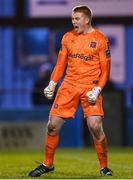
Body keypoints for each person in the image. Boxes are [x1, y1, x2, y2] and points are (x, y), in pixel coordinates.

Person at [28, 5, 113, 177]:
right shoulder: (67, 38)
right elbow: (60, 64)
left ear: (87, 19)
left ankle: (104, 167)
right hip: (69, 86)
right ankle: (47, 164)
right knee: (52, 126)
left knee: (95, 126)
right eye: (72, 18)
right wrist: (52, 83)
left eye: (77, 18)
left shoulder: (101, 40)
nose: (73, 21)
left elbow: (105, 71)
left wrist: (97, 90)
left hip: (91, 85)